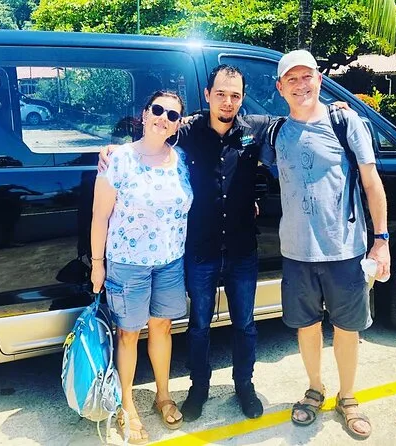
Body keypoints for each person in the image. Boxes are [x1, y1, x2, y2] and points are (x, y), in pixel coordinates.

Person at [100, 65, 275, 422]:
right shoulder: (188, 129)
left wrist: (334, 110)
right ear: (208, 94)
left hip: (242, 248)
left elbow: (296, 119)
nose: (227, 102)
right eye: (221, 94)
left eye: (235, 95)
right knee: (199, 325)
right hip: (200, 250)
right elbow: (154, 133)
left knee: (245, 324)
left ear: (242, 98)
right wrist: (115, 148)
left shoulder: (254, 129)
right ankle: (198, 389)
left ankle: (244, 386)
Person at [262, 50, 391, 439]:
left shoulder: (345, 122)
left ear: (319, 80)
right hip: (296, 252)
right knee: (306, 326)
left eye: (307, 77)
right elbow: (226, 138)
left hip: (344, 250)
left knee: (347, 328)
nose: (301, 85)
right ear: (280, 87)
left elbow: (372, 183)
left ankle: (347, 397)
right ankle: (315, 389)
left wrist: (381, 240)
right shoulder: (275, 132)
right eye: (292, 79)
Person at [90, 91, 193, 444]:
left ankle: (163, 395)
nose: (164, 118)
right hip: (128, 264)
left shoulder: (181, 159)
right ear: (145, 113)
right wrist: (98, 264)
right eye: (158, 110)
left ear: (178, 124)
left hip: (170, 262)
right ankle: (127, 405)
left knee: (162, 328)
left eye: (173, 115)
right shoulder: (118, 159)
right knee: (129, 334)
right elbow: (100, 217)